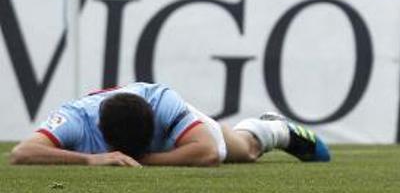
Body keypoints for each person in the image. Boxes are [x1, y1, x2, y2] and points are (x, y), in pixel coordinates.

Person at [8, 82, 331, 166]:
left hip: (175, 130)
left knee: (241, 152)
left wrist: (142, 160)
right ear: (101, 134)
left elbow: (206, 153)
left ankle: (273, 129)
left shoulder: (162, 102)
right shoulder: (76, 118)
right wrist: (92, 159)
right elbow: (22, 153)